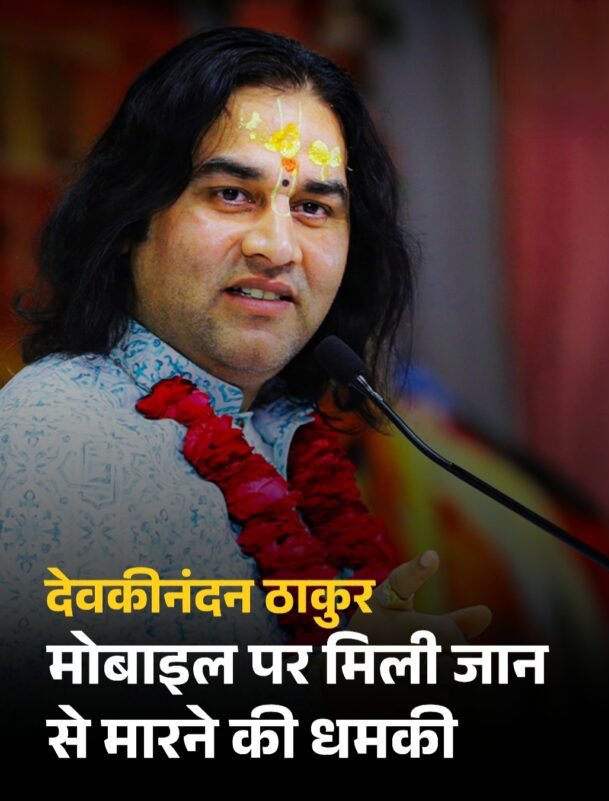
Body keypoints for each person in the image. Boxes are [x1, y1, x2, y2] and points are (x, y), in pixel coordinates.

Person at [0, 28, 490, 668]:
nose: (277, 248)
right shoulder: (59, 433)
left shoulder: (281, 429)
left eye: (313, 207)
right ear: (129, 218)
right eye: (232, 195)